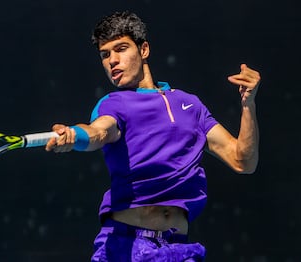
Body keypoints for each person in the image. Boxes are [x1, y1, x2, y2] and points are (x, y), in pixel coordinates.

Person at [45, 11, 260, 262]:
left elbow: (243, 161)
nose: (112, 60)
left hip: (177, 248)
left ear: (144, 49)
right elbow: (99, 131)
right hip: (126, 246)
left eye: (121, 49)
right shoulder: (114, 104)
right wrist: (74, 135)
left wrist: (248, 104)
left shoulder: (191, 105)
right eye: (105, 55)